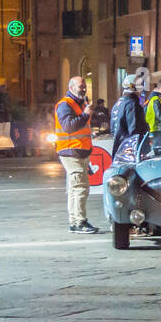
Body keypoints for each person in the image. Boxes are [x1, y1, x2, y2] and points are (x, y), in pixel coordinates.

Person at [54, 76, 97, 233]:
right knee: (80, 188)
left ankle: (75, 221)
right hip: (71, 151)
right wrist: (86, 115)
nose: (84, 88)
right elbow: (68, 127)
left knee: (75, 188)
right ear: (71, 87)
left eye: (84, 85)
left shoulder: (80, 103)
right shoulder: (65, 105)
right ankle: (80, 222)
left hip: (79, 152)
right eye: (81, 86)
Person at [110, 74, 148, 157]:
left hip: (120, 149)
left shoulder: (119, 103)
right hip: (130, 151)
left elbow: (113, 130)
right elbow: (134, 129)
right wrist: (137, 149)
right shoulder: (132, 104)